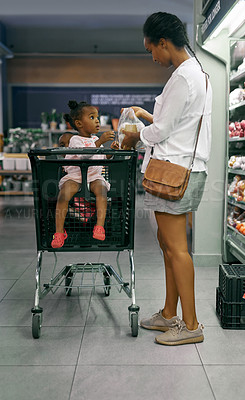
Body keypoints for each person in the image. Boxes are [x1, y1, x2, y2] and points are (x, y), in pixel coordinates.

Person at [121, 12, 212, 346]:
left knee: (176, 249)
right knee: (168, 246)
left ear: (162, 42)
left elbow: (161, 131)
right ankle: (169, 314)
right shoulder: (193, 73)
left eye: (151, 51)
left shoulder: (183, 78)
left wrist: (135, 135)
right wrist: (148, 116)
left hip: (173, 173)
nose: (153, 57)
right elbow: (176, 120)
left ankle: (191, 326)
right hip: (180, 169)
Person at [51, 100, 118, 248]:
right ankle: (59, 232)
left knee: (102, 191)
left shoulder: (95, 139)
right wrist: (100, 142)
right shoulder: (75, 140)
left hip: (94, 177)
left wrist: (111, 151)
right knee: (63, 195)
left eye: (97, 117)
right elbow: (84, 155)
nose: (97, 121)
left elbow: (100, 157)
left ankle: (99, 226)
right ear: (79, 124)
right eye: (92, 117)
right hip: (75, 177)